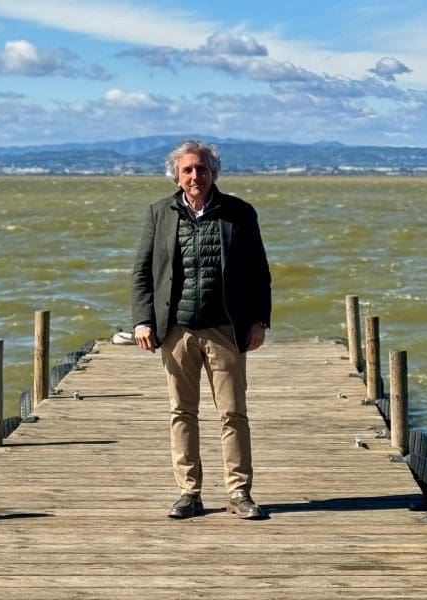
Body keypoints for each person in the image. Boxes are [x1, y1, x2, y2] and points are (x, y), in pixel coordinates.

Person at [131, 139, 272, 520]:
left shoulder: (239, 213)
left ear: (214, 173)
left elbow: (259, 272)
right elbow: (144, 273)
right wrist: (143, 320)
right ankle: (188, 493)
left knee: (233, 413)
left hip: (225, 328)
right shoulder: (160, 213)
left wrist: (260, 321)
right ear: (176, 175)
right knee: (182, 412)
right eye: (188, 169)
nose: (196, 175)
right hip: (176, 330)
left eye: (203, 169)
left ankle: (239, 492)